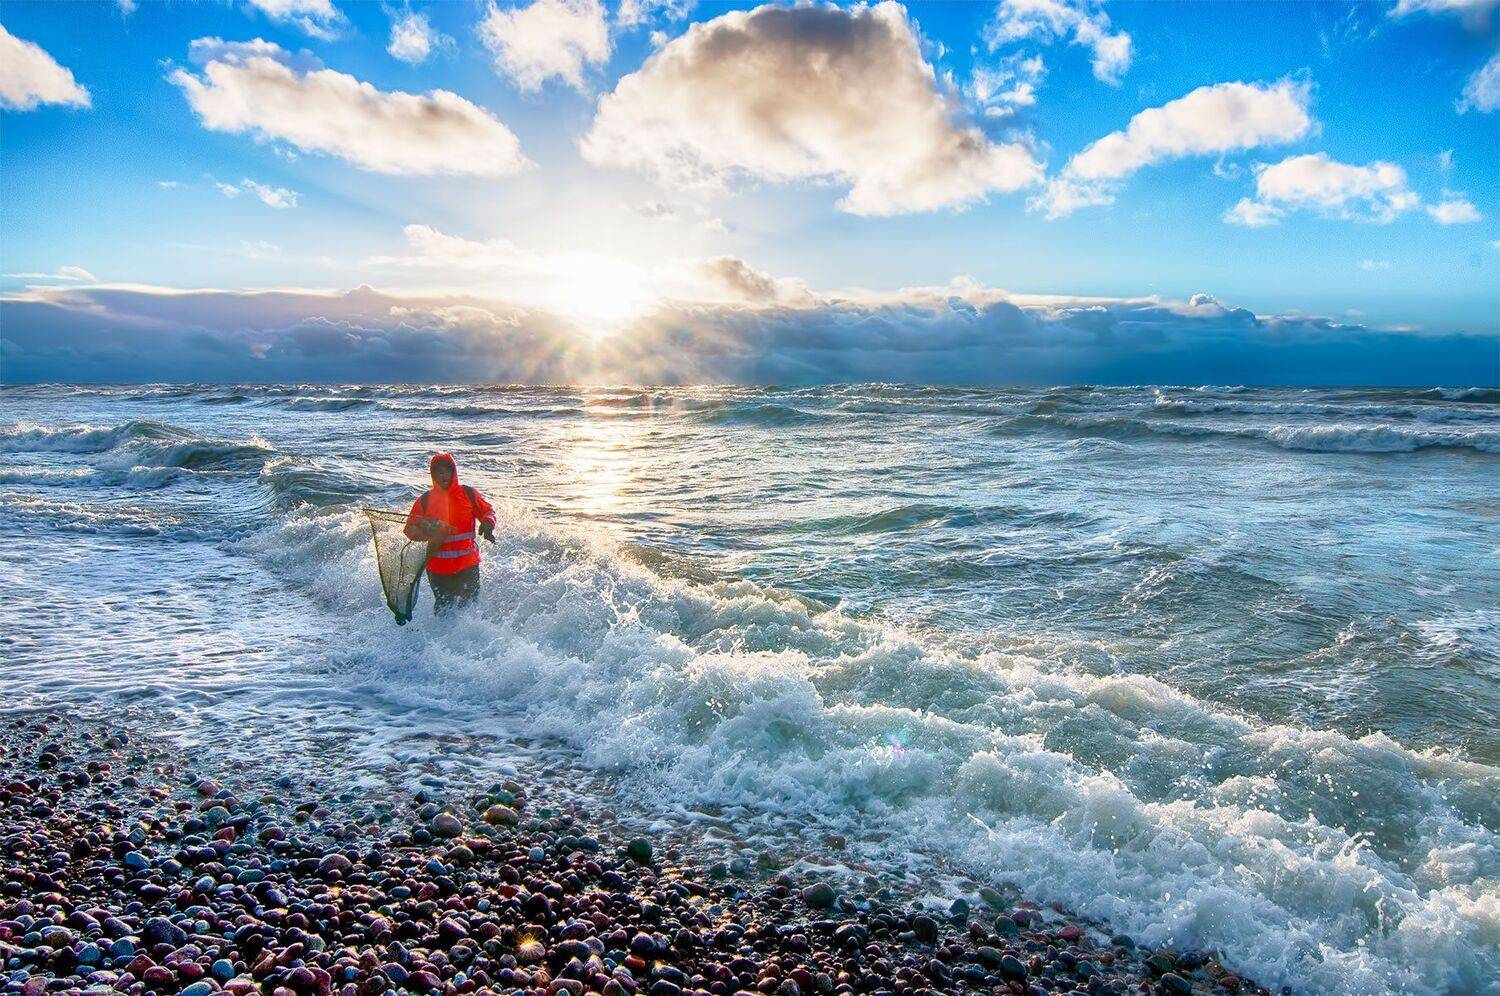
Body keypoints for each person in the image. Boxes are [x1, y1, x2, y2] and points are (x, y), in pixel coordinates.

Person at [404, 453, 497, 615]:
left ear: (453, 472)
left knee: (470, 609)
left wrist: (488, 524)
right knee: (443, 611)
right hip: (438, 569)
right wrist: (428, 531)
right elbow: (410, 530)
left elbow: (487, 511)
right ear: (433, 475)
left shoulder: (468, 493)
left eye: (447, 471)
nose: (443, 475)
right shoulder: (425, 500)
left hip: (467, 565)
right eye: (439, 472)